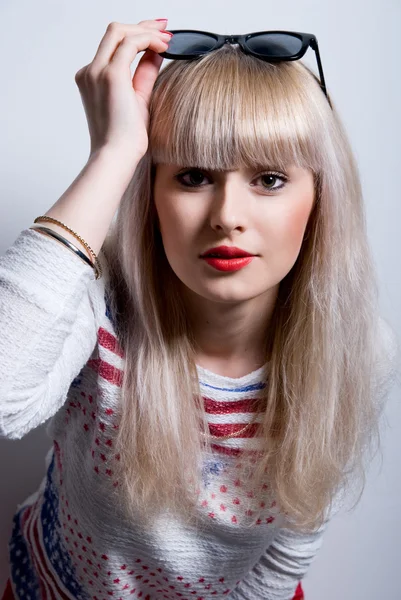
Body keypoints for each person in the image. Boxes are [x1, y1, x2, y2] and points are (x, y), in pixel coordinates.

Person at [0, 17, 399, 600]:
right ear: (151, 193)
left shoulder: (359, 352)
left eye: (268, 178)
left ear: (320, 198)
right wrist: (113, 156)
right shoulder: (99, 309)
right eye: (191, 176)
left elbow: (293, 543)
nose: (226, 215)